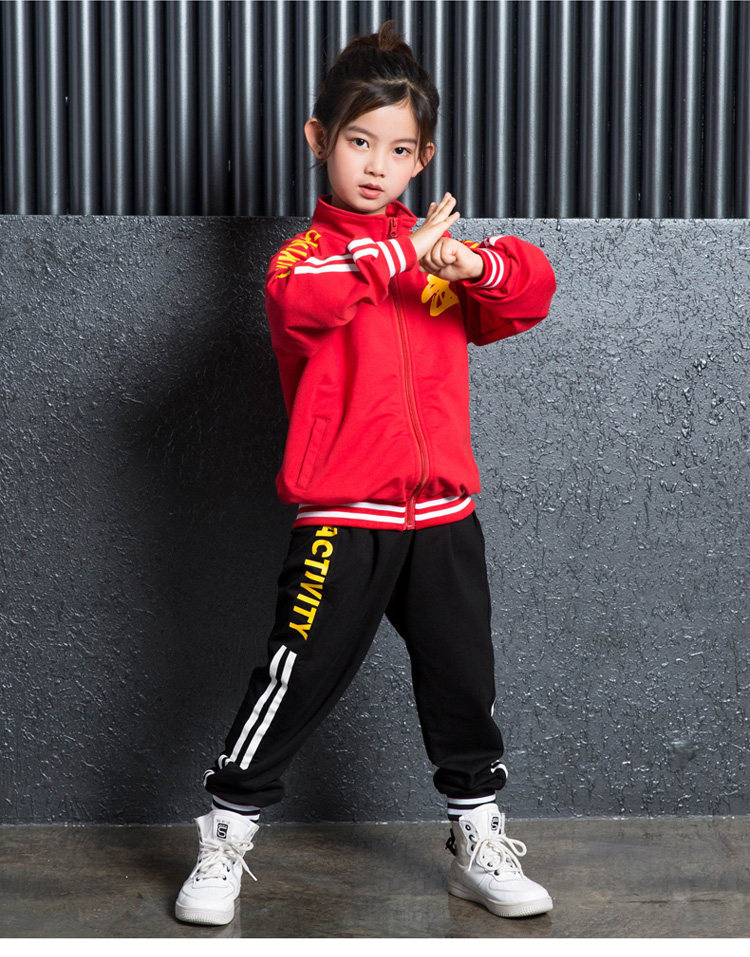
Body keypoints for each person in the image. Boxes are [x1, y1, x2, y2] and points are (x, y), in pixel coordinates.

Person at [175, 20, 557, 926]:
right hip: (344, 517)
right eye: (358, 142)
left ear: (424, 158)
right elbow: (310, 301)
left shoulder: (436, 262)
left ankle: (476, 837)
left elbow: (529, 292)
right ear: (319, 139)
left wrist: (469, 260)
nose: (378, 167)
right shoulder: (302, 261)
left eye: (399, 150)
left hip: (444, 515)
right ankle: (225, 833)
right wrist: (400, 252)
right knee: (294, 678)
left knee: (464, 680)